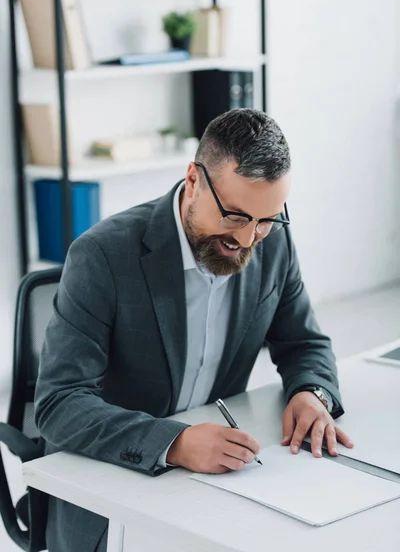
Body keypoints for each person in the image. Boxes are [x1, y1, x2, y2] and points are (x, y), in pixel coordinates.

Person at [35, 109, 353, 551]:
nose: (248, 240)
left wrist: (311, 393)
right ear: (193, 180)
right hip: (112, 489)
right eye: (236, 217)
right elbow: (58, 404)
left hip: (219, 482)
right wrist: (175, 442)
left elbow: (303, 342)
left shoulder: (271, 240)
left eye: (266, 220)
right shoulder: (103, 256)